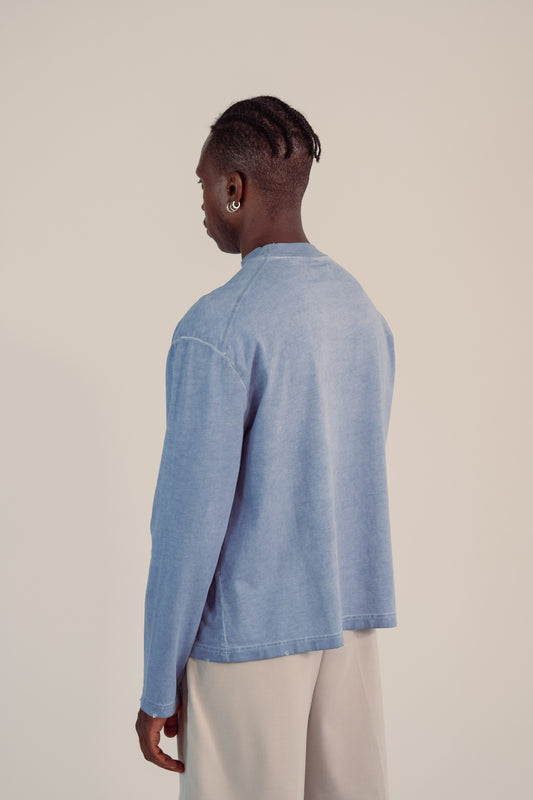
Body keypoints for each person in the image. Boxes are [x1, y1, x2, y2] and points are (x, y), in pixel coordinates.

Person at [135, 96, 397, 800]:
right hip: (349, 626)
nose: (200, 204)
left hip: (247, 642)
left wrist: (159, 680)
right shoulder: (359, 311)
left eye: (202, 184)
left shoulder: (217, 327)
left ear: (234, 187)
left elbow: (188, 524)